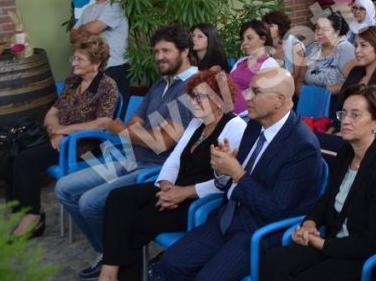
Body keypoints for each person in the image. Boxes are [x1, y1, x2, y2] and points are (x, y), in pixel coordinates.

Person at [57, 24, 198, 280]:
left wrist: (129, 131)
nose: (159, 57)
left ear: (186, 50)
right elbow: (134, 123)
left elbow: (161, 143)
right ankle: (109, 253)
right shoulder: (160, 84)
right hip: (130, 157)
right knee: (64, 188)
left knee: (90, 202)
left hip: (156, 168)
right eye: (156, 51)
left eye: (166, 50)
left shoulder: (194, 88)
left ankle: (113, 258)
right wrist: (138, 132)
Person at [158, 68, 324, 281]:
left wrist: (237, 172)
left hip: (259, 232)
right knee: (171, 263)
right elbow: (229, 182)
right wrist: (221, 169)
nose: (247, 97)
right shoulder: (254, 125)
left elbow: (277, 209)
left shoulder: (302, 146)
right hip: (228, 217)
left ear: (279, 100)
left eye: (256, 92)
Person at [98, 70, 247, 281]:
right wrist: (167, 187)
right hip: (173, 190)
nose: (193, 102)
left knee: (133, 223)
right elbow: (174, 160)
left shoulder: (235, 127)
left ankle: (112, 275)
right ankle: (110, 270)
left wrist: (183, 193)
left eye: (200, 97)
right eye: (191, 96)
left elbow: (227, 182)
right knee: (118, 198)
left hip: (200, 202)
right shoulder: (197, 123)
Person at [262, 84, 376, 280]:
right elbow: (327, 199)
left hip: (364, 257)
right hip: (335, 244)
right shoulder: (347, 152)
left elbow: (374, 240)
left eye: (355, 115)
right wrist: (310, 223)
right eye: (344, 114)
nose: (346, 121)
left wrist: (321, 244)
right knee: (275, 260)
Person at [5, 35, 118, 238]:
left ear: (96, 63)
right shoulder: (73, 81)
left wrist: (63, 132)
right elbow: (53, 112)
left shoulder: (107, 86)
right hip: (62, 139)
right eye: (73, 58)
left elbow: (103, 123)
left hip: (85, 145)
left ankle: (33, 217)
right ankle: (23, 210)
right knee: (14, 148)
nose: (74, 63)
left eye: (79, 59)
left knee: (26, 159)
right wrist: (53, 131)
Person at [71, 0, 130, 108]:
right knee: (94, 109)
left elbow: (93, 29)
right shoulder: (88, 9)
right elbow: (72, 37)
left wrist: (85, 29)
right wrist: (88, 29)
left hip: (114, 66)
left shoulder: (115, 5)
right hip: (93, 69)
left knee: (114, 111)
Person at [333, 25, 376, 116]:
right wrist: (333, 128)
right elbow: (340, 106)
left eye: (363, 45)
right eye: (356, 45)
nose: (357, 50)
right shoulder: (355, 72)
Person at [229, 20, 281, 114]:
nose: (244, 43)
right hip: (230, 116)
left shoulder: (270, 64)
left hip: (251, 117)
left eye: (249, 38)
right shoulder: (241, 61)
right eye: (243, 39)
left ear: (263, 39)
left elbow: (262, 95)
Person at [304, 13, 356, 94]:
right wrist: (305, 94)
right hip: (308, 99)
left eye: (325, 29)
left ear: (337, 32)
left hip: (334, 101)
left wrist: (319, 93)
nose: (319, 32)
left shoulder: (345, 50)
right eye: (317, 28)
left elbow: (353, 83)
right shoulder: (312, 48)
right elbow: (299, 79)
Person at [263, 10, 308, 96]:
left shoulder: (295, 46)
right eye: (265, 26)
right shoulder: (267, 45)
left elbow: (295, 76)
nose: (266, 29)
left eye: (271, 26)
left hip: (291, 89)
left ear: (280, 27)